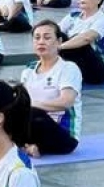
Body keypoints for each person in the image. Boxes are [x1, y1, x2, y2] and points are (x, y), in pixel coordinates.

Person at [20, 20, 83, 158]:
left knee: (32, 113)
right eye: (37, 38)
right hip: (34, 125)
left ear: (59, 41)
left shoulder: (68, 68)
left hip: (63, 135)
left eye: (47, 37)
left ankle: (30, 145)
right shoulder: (28, 70)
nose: (41, 42)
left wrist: (33, 105)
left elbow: (66, 102)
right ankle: (27, 146)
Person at [58, 0, 104, 85]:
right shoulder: (73, 16)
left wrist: (58, 47)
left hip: (98, 72)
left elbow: (86, 38)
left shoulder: (103, 20)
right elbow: (55, 30)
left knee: (79, 41)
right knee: (55, 34)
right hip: (78, 65)